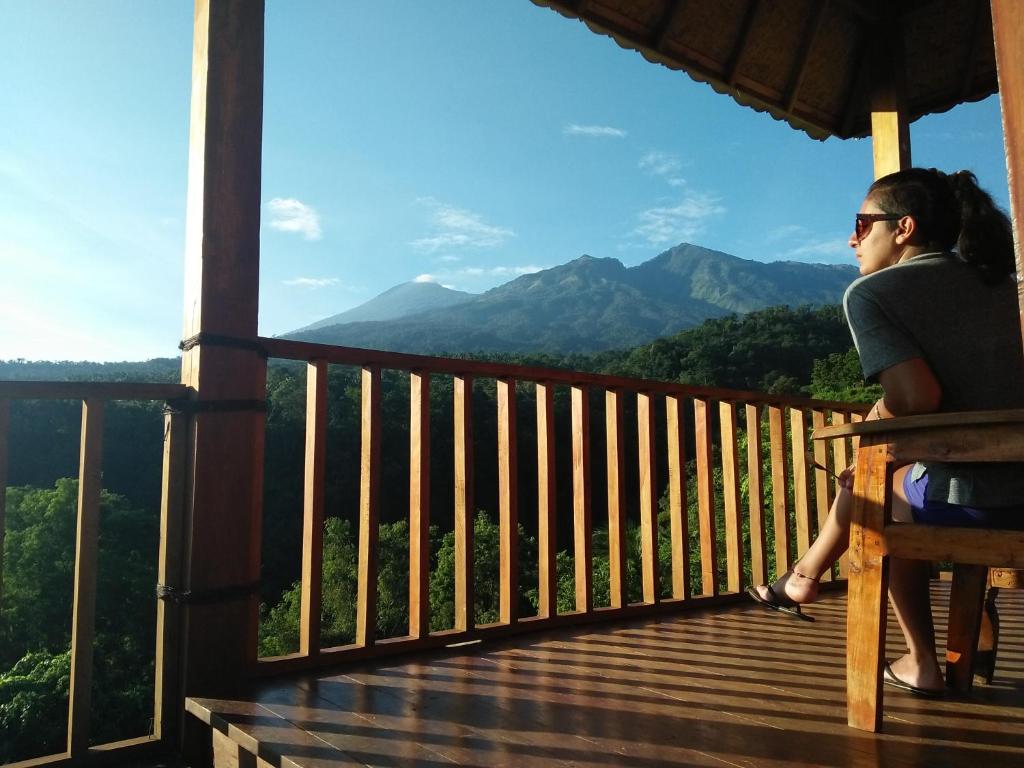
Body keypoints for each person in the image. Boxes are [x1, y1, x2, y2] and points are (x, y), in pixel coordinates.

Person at [747, 167, 1024, 696]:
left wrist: (879, 421)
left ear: (904, 227)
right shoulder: (1000, 284)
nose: (852, 237)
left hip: (981, 498)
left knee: (873, 494)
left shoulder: (874, 293)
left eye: (861, 222)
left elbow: (918, 399)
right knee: (880, 479)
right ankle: (805, 578)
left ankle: (921, 659)